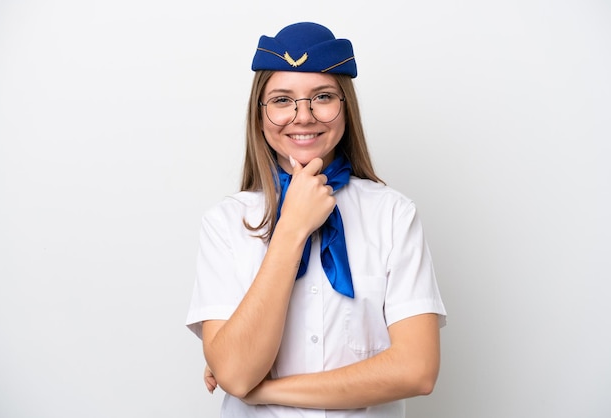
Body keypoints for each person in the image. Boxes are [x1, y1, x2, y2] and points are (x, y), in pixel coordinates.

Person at [186, 21, 447, 417]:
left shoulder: (393, 215)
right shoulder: (226, 223)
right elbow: (237, 375)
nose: (303, 116)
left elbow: (417, 371)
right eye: (282, 100)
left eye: (322, 97)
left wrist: (265, 390)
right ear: (260, 115)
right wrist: (291, 228)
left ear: (346, 110)